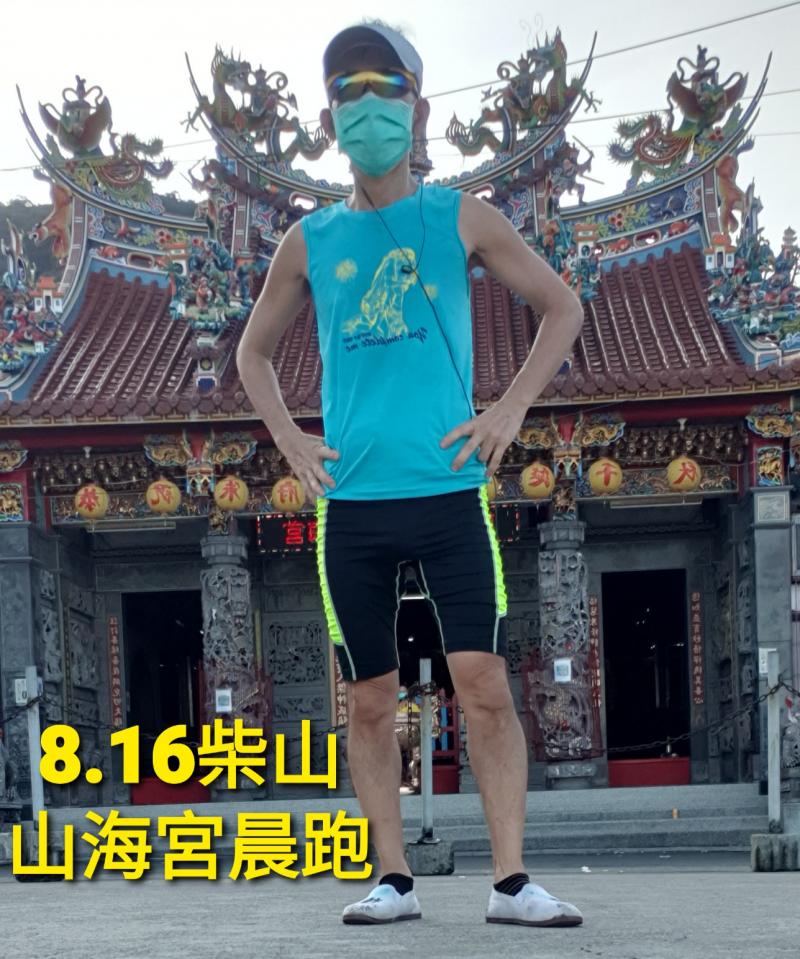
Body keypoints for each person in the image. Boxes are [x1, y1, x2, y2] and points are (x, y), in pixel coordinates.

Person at [237, 21, 585, 928]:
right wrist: (291, 440)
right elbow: (251, 352)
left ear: (417, 108)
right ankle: (393, 878)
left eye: (384, 88)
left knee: (484, 681)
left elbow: (562, 306)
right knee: (368, 698)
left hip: (449, 493)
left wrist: (509, 409)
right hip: (352, 505)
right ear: (330, 120)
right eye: (347, 92)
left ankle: (511, 882)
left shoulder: (460, 218)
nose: (367, 108)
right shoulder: (308, 241)